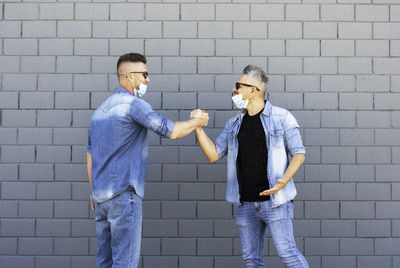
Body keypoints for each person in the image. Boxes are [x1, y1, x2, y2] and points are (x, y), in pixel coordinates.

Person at [86, 52, 208, 268]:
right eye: (144, 74)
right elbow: (169, 131)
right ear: (130, 76)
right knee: (125, 264)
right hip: (124, 195)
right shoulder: (134, 105)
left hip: (101, 198)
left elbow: (90, 156)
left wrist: (94, 192)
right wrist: (196, 121)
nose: (147, 79)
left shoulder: (100, 112)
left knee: (105, 263)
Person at [192, 65, 309, 267]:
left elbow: (299, 153)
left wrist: (283, 181)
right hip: (246, 204)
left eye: (238, 86)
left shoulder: (282, 117)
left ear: (253, 89)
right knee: (251, 260)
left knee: (288, 254)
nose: (234, 90)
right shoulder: (234, 124)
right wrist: (197, 126)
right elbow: (213, 155)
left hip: (276, 201)